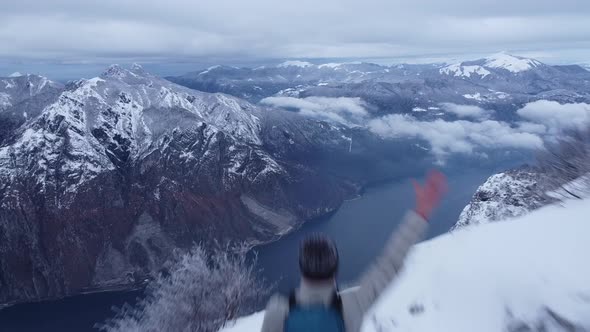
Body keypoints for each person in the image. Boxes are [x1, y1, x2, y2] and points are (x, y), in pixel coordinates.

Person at [260, 170, 448, 332]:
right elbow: (389, 264)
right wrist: (421, 212)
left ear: (302, 268)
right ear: (335, 269)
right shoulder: (352, 305)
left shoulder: (279, 309)